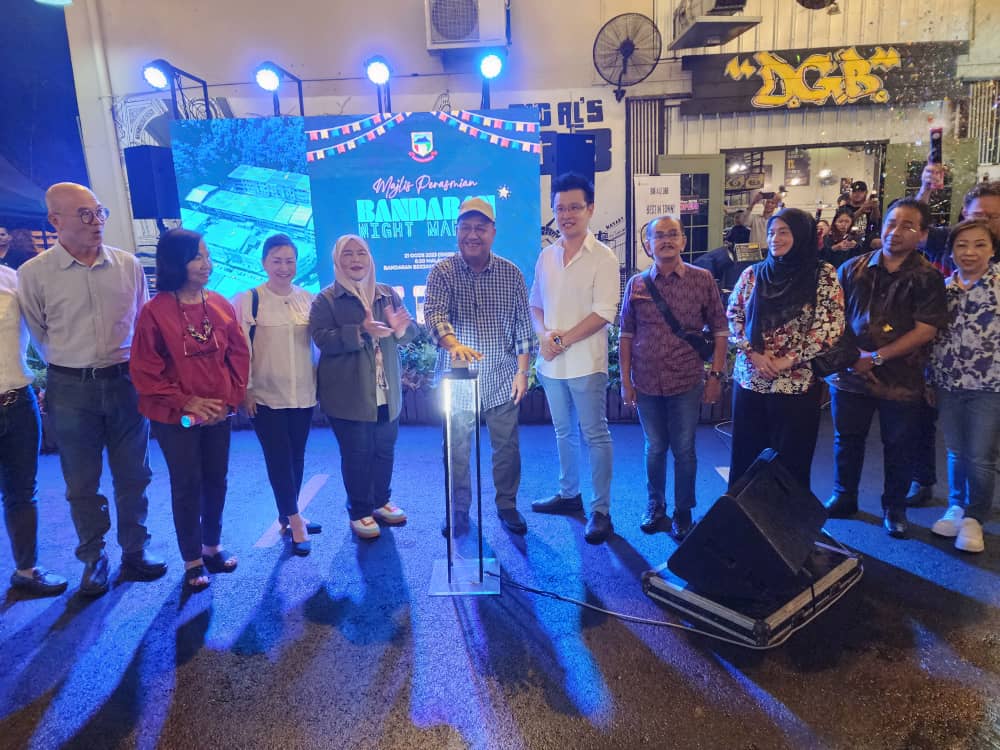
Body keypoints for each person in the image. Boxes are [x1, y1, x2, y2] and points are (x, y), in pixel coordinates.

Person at [17, 182, 165, 596]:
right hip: (70, 387)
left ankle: (135, 551)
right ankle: (93, 558)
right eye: (85, 214)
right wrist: (73, 362)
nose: (96, 222)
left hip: (125, 382)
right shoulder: (35, 274)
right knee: (82, 482)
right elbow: (40, 333)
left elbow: (142, 322)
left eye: (100, 212)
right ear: (55, 220)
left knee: (134, 474)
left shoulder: (127, 265)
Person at [130, 229, 249, 591]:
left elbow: (238, 356)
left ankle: (212, 546)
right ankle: (192, 560)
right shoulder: (154, 312)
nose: (206, 264)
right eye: (197, 256)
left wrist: (229, 400)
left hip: (218, 412)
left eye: (207, 256)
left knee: (216, 479)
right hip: (174, 415)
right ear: (176, 262)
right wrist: (187, 402)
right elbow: (145, 372)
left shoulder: (220, 304)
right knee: (186, 484)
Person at [823, 198, 949, 538]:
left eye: (908, 226)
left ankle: (894, 507)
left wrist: (876, 358)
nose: (896, 231)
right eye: (892, 223)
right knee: (847, 439)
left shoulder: (928, 277)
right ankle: (844, 496)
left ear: (922, 233)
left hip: (902, 377)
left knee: (898, 444)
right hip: (850, 373)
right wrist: (853, 358)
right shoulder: (853, 268)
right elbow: (832, 319)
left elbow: (926, 330)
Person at [423, 197, 535, 536]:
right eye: (466, 228)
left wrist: (522, 372)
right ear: (456, 231)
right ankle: (458, 510)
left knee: (507, 448)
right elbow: (434, 315)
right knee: (456, 450)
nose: (473, 235)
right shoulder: (442, 272)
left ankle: (507, 504)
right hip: (458, 381)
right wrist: (453, 344)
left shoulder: (511, 273)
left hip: (502, 378)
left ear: (493, 233)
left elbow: (523, 328)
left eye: (481, 228)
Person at [620, 215, 729, 539]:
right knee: (654, 447)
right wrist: (625, 381)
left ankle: (683, 511)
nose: (666, 241)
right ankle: (656, 505)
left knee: (683, 449)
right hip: (646, 381)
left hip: (686, 380)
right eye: (659, 236)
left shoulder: (702, 279)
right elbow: (626, 334)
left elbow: (720, 330)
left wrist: (715, 376)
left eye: (672, 234)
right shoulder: (637, 284)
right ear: (648, 244)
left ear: (683, 240)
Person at [529, 173, 620, 544]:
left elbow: (604, 312)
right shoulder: (546, 256)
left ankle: (601, 510)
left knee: (595, 434)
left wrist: (561, 339)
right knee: (563, 431)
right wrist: (543, 336)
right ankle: (569, 495)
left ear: (590, 209)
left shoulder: (604, 258)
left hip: (586, 363)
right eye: (560, 208)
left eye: (574, 207)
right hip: (551, 364)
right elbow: (535, 304)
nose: (566, 215)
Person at [727, 207, 845, 493]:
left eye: (783, 232)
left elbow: (830, 326)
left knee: (791, 459)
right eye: (771, 232)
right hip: (751, 379)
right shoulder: (753, 274)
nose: (775, 238)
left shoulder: (822, 275)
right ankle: (743, 514)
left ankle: (785, 517)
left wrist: (788, 360)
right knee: (746, 455)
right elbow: (733, 315)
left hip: (796, 383)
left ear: (802, 235)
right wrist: (753, 353)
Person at [310, 235, 417, 540]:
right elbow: (322, 339)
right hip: (348, 395)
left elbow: (409, 333)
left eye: (361, 253)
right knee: (357, 453)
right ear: (337, 260)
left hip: (386, 391)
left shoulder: (386, 294)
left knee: (384, 449)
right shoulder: (326, 300)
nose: (356, 259)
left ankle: (381, 501)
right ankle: (359, 511)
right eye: (348, 254)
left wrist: (402, 329)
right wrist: (361, 331)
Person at [233, 234, 320, 556]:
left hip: (303, 393)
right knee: (278, 457)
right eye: (277, 261)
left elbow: (317, 347)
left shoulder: (308, 299)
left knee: (296, 456)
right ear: (264, 263)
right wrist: (246, 388)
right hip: (265, 395)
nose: (284, 267)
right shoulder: (249, 300)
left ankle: (288, 514)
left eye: (290, 261)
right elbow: (241, 348)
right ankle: (295, 521)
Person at [928, 220, 1000, 553]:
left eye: (979, 244)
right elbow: (932, 338)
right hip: (947, 381)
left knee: (981, 454)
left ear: (992, 249)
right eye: (962, 245)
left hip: (989, 385)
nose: (970, 252)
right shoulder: (943, 289)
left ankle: (975, 517)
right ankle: (956, 506)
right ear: (951, 251)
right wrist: (929, 378)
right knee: (955, 450)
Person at [1, 265, 67, 596]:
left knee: (22, 491)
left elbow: (45, 331)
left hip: (17, 401)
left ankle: (26, 570)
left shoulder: (12, 278)